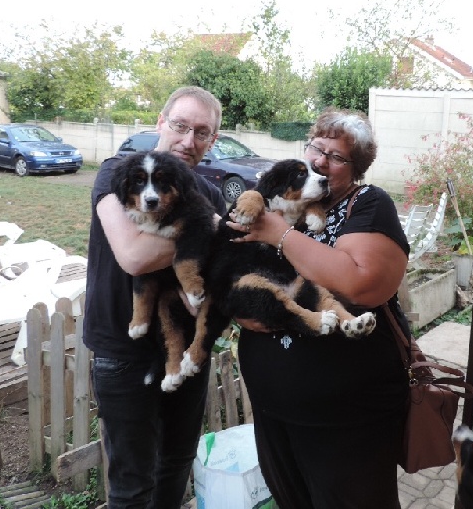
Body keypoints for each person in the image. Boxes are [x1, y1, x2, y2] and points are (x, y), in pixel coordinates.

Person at [231, 109, 410, 509]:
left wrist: (279, 233)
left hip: (347, 414)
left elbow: (360, 285)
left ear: (356, 167)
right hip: (273, 404)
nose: (321, 161)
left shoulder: (367, 203)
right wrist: (237, 307)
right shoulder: (280, 201)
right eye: (317, 148)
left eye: (337, 156)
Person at [83, 86, 227, 509]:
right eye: (180, 125)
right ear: (161, 122)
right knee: (131, 484)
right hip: (122, 349)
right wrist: (205, 230)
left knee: (177, 462)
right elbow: (134, 256)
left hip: (186, 349)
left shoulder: (210, 193)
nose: (189, 140)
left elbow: (222, 265)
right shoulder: (118, 172)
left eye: (202, 132)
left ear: (213, 139)